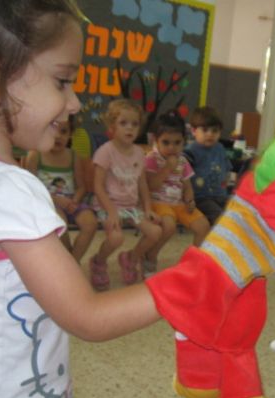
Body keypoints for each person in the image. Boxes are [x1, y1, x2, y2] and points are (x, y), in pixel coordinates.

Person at [0, 2, 162, 398]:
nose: (73, 103)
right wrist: (198, 279)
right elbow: (88, 316)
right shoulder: (8, 190)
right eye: (62, 81)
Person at [89, 98, 162, 289]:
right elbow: (98, 186)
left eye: (134, 124)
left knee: (155, 232)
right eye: (123, 123)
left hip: (130, 207)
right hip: (108, 205)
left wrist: (148, 209)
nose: (130, 128)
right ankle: (98, 262)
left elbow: (142, 184)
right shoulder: (105, 152)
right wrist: (111, 211)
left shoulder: (139, 152)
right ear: (112, 126)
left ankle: (130, 258)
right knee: (116, 238)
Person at [143, 110, 210, 277]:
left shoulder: (183, 160)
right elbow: (151, 186)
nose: (172, 148)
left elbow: (187, 186)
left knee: (203, 226)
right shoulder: (151, 158)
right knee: (169, 226)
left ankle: (193, 263)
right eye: (166, 142)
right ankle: (151, 254)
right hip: (158, 202)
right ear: (156, 140)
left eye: (177, 143)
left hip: (178, 204)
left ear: (184, 142)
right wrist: (167, 168)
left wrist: (190, 200)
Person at [26, 115, 98, 262]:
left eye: (64, 131)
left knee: (91, 223)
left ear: (70, 134)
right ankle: (69, 261)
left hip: (71, 202)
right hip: (47, 203)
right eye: (53, 130)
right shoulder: (35, 155)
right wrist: (57, 200)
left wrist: (74, 201)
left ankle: (73, 261)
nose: (58, 136)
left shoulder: (73, 156)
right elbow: (30, 189)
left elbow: (81, 187)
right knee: (60, 224)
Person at [185, 106, 232, 225]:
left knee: (237, 214)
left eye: (215, 131)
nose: (210, 134)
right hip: (201, 197)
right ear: (194, 131)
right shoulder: (191, 151)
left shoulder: (220, 148)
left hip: (221, 195)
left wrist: (225, 185)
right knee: (219, 218)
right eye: (205, 130)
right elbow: (183, 177)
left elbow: (227, 170)